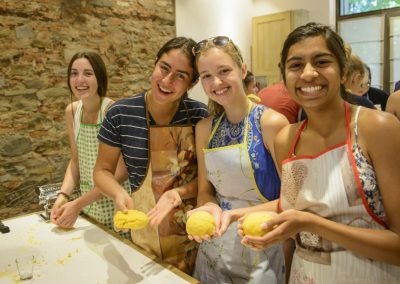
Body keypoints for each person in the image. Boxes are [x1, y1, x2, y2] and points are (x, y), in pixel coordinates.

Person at [232, 22, 400, 283]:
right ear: (284, 77)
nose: (308, 74)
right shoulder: (287, 139)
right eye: (296, 65)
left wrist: (311, 224)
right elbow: (291, 204)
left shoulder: (376, 128)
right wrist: (232, 215)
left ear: (343, 71)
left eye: (321, 62)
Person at [93, 37, 208, 274]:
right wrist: (118, 192)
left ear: (192, 82)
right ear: (155, 64)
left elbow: (210, 182)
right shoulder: (121, 114)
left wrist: (179, 193)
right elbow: (102, 171)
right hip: (142, 238)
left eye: (180, 75)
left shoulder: (200, 117)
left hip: (193, 238)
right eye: (164, 68)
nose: (167, 81)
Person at [188, 36, 289, 283]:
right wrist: (209, 207)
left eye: (224, 71)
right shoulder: (204, 128)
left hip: (261, 245)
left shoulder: (272, 124)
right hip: (214, 248)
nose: (216, 82)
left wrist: (234, 215)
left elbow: (292, 201)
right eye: (206, 76)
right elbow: (205, 191)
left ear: (243, 70)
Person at [50, 51, 131, 239]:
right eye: (74, 73)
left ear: (100, 77)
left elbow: (120, 173)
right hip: (88, 207)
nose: (80, 80)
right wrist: (64, 195)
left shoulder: (112, 111)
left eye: (88, 73)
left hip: (116, 205)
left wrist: (77, 204)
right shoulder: (72, 111)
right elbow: (76, 161)